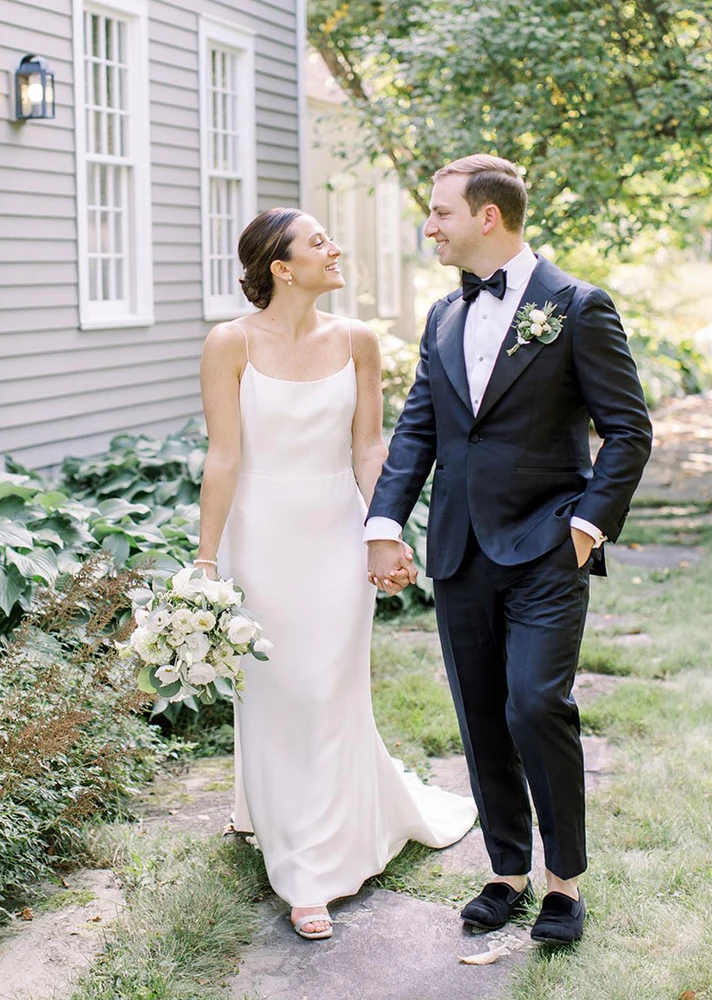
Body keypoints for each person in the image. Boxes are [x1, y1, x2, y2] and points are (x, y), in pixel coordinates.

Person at [366, 155, 653, 944]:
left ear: (487, 217)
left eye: (440, 212)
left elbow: (628, 429)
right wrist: (385, 522)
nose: (430, 227)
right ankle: (506, 872)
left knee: (535, 703)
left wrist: (588, 525)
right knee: (481, 712)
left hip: (545, 548)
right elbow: (419, 428)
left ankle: (563, 883)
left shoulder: (579, 306)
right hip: (460, 546)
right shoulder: (442, 318)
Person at [195, 207, 477, 941]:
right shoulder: (228, 343)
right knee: (273, 687)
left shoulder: (356, 343)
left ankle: (311, 870)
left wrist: (384, 530)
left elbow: (368, 450)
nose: (336, 247)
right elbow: (223, 457)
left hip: (334, 534)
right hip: (259, 536)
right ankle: (272, 816)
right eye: (319, 242)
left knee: (327, 688)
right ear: (282, 269)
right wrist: (204, 562)